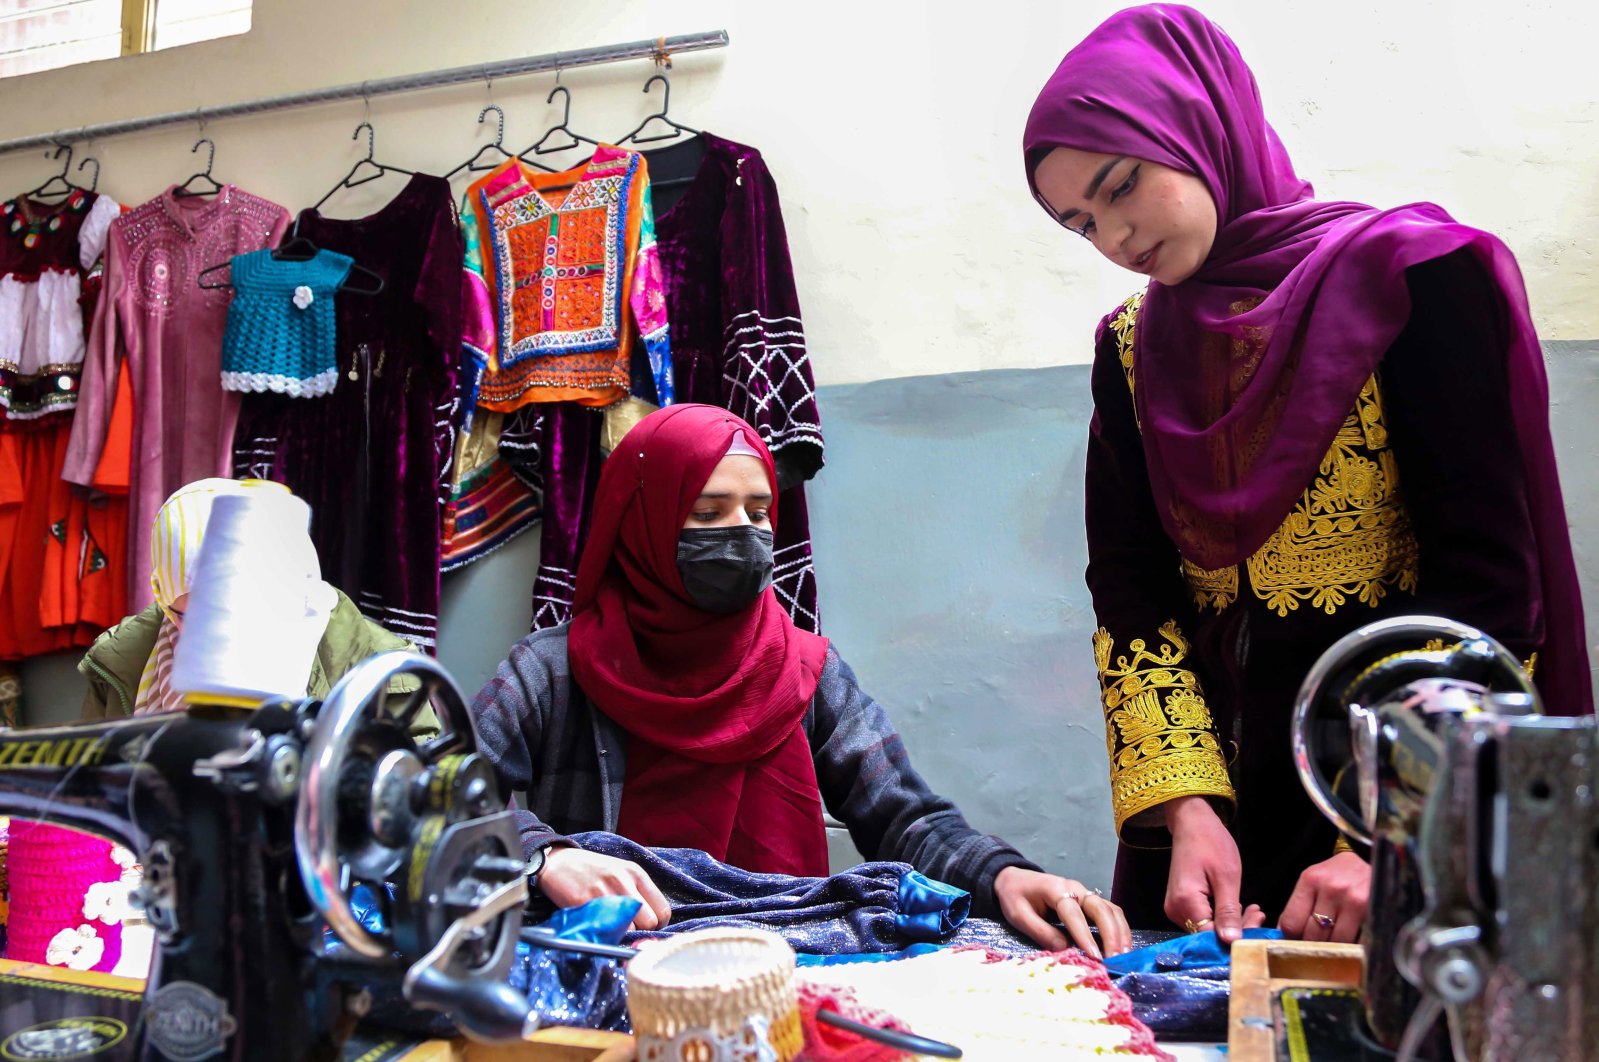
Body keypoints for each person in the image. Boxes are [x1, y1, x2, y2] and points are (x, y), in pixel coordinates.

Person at [1022, 5, 1589, 944]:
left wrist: (1392, 835)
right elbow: (1130, 591)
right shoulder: (1129, 348)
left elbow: (1489, 589)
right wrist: (1184, 807)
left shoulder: (1407, 280)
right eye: (1081, 223)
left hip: (1391, 804)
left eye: (1122, 186)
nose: (1115, 237)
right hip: (1210, 828)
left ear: (1194, 124)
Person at [470, 404, 1131, 957]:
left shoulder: (804, 669)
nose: (743, 532)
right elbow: (446, 801)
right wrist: (542, 858)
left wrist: (1003, 875)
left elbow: (902, 816)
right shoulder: (553, 672)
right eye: (707, 512)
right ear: (641, 521)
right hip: (614, 970)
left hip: (783, 965)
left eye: (758, 512)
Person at [79, 477, 434, 728]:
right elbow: (85, 786)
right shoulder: (121, 661)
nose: (225, 630)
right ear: (163, 599)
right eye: (197, 616)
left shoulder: (384, 674)